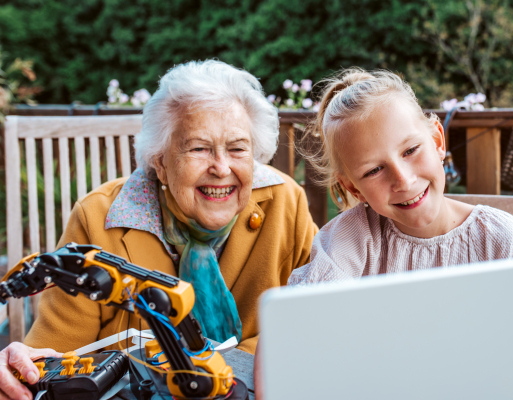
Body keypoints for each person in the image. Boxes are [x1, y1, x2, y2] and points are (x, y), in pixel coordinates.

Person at [0, 60, 317, 400]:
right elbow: (54, 353)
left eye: (238, 148)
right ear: (160, 163)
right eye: (199, 148)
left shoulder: (285, 203)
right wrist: (20, 369)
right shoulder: (99, 219)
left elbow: (316, 325)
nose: (222, 168)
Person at [288, 69, 513, 286]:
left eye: (410, 150)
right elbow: (302, 321)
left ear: (438, 140)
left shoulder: (499, 238)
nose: (404, 181)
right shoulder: (351, 239)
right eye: (374, 170)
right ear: (354, 189)